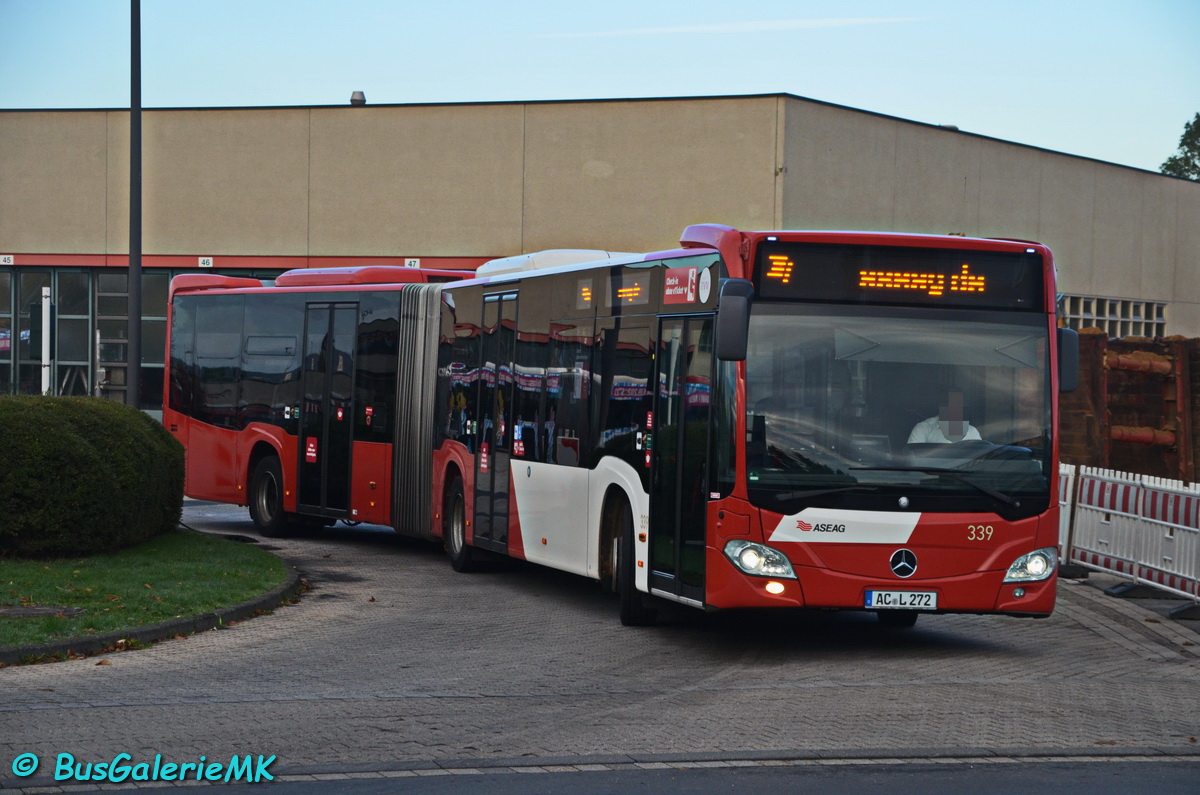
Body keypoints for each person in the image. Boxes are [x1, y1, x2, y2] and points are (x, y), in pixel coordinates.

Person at [908, 390, 982, 443]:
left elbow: (979, 458)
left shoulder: (972, 432)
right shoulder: (923, 428)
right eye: (949, 404)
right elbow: (913, 457)